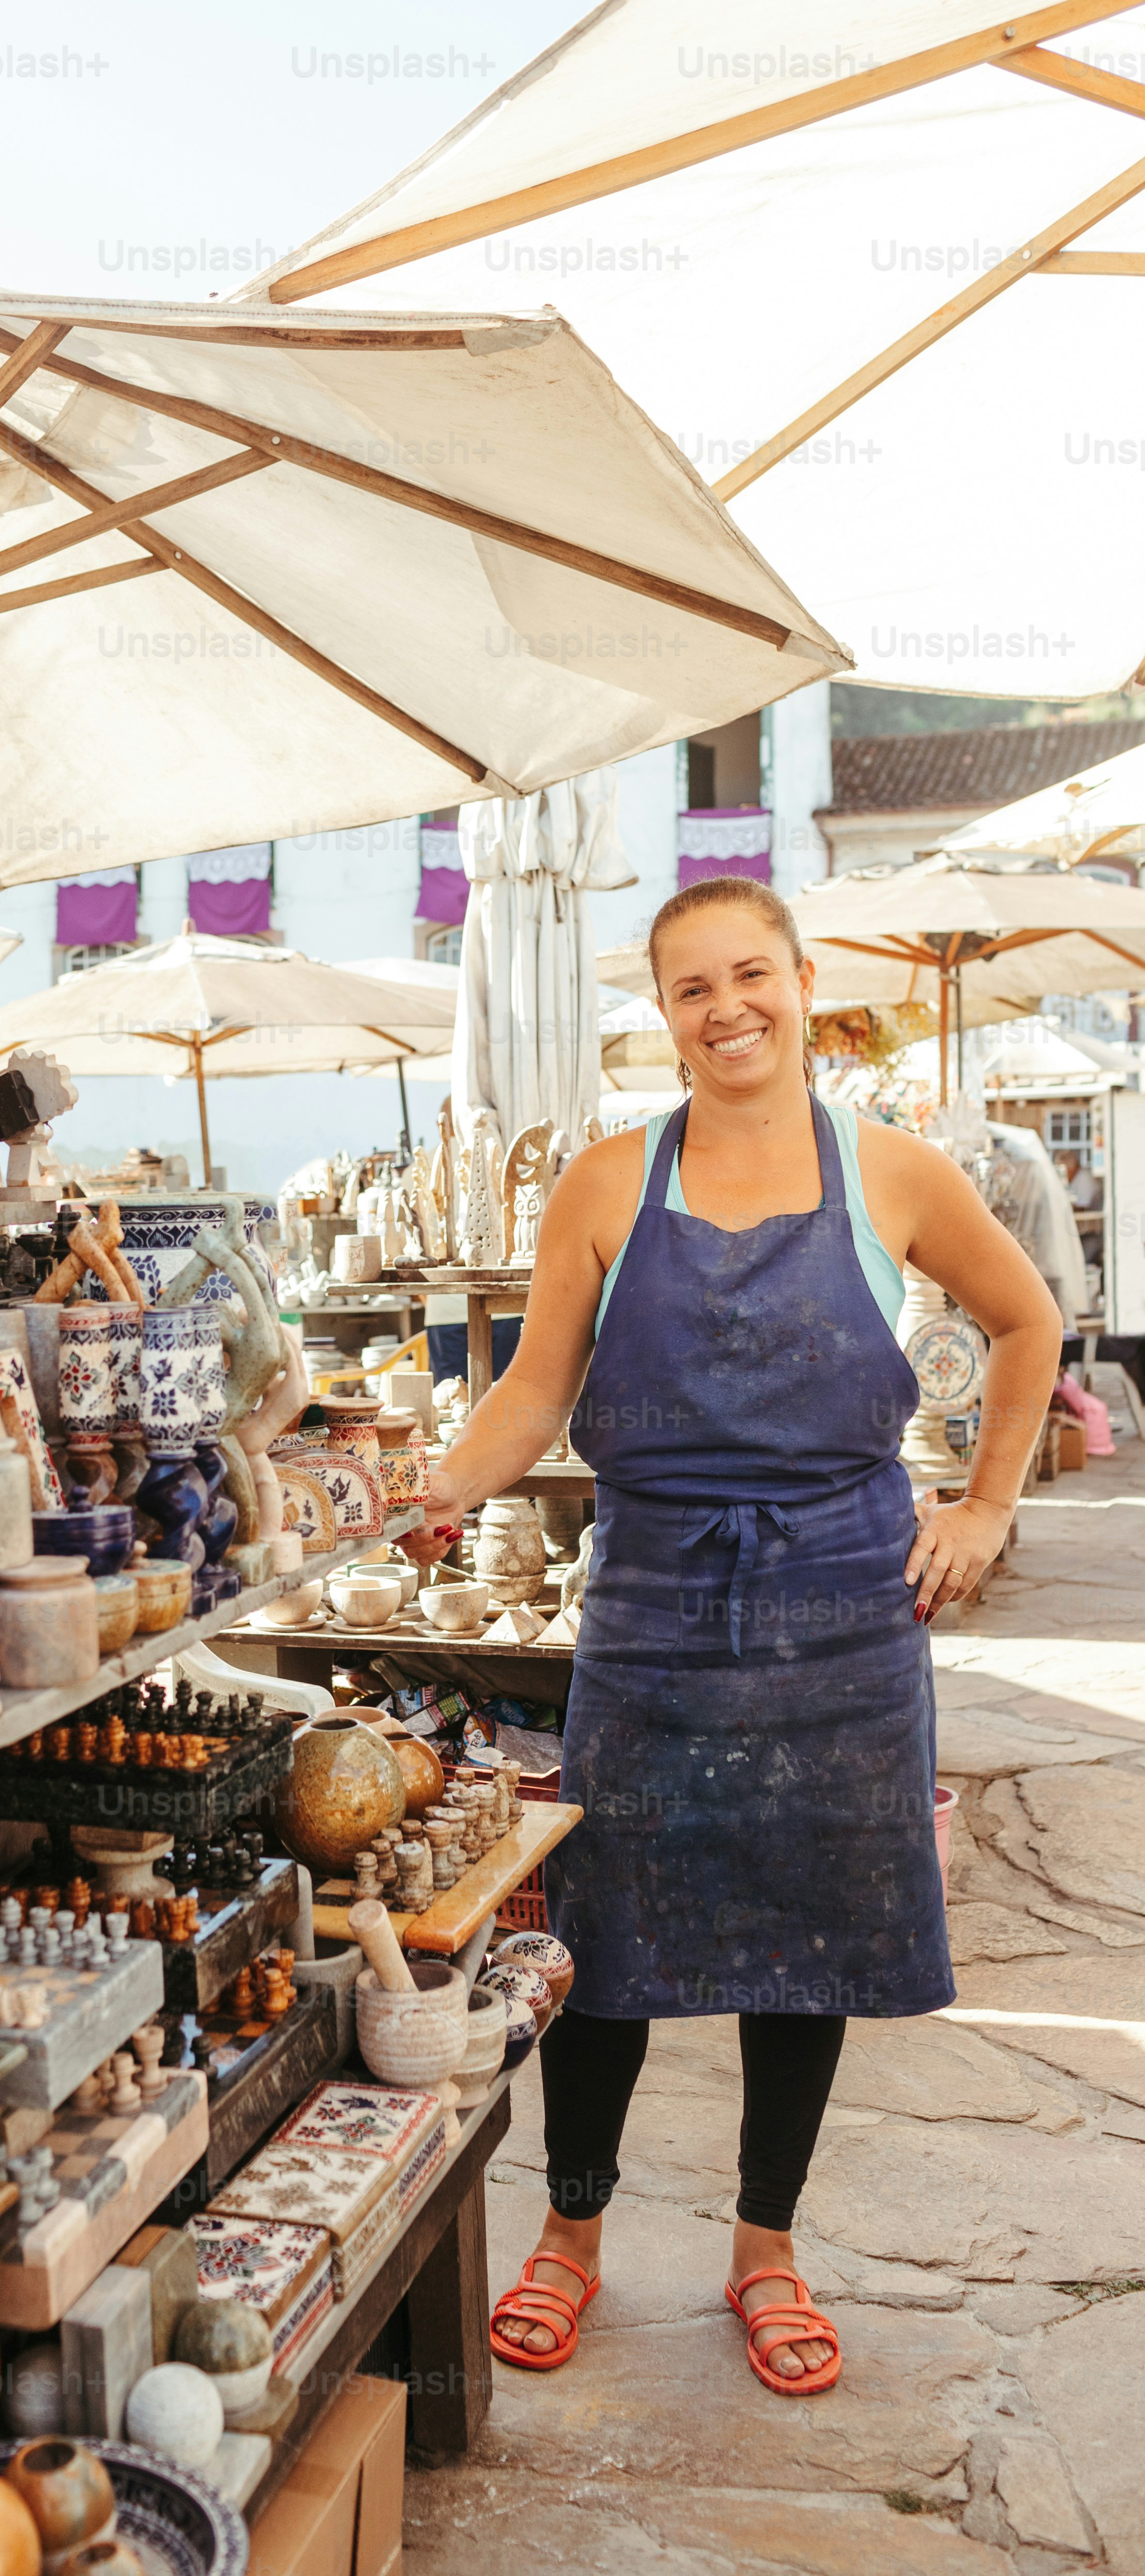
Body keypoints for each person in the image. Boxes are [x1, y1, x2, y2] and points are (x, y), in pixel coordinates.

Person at [401, 877, 1061, 2396]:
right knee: (605, 1934)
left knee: (807, 1942)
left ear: (803, 981)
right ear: (667, 1013)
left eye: (750, 975)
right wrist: (437, 1491)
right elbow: (532, 1394)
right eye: (693, 988)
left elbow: (1026, 1326)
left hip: (848, 1611)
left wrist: (986, 1512)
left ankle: (767, 2249)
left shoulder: (893, 1174)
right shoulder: (606, 1184)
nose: (728, 1009)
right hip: (653, 1613)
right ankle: (572, 2236)